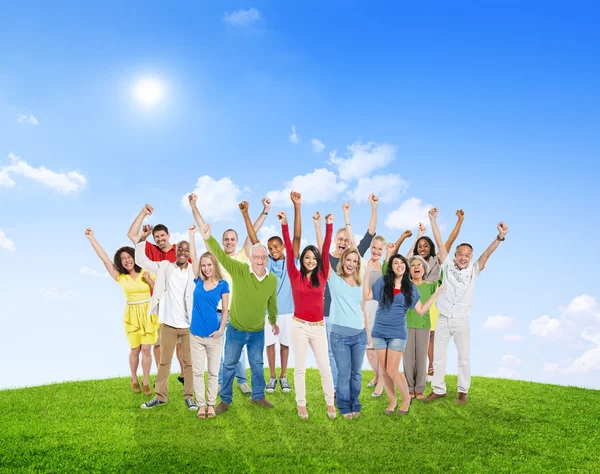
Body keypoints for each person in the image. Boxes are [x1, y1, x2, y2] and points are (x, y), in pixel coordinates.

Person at [200, 201, 278, 414]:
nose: (260, 260)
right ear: (251, 258)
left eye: (263, 257)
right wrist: (207, 237)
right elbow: (220, 254)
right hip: (234, 325)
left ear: (266, 259)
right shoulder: (239, 269)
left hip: (257, 331)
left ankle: (258, 396)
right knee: (229, 363)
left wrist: (273, 320)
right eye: (257, 256)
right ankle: (225, 399)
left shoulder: (271, 280)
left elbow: (272, 302)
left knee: (257, 363)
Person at [188, 193, 271, 395]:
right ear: (222, 241)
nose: (229, 242)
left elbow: (255, 231)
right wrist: (194, 206)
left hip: (238, 311)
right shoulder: (216, 257)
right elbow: (204, 230)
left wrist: (265, 211)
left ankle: (242, 381)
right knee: (219, 351)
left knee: (238, 349)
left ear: (236, 241)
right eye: (226, 239)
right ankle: (219, 381)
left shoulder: (243, 256)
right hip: (217, 311)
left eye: (232, 239)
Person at [424, 208, 508, 405]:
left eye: (467, 255)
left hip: (462, 321)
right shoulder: (446, 264)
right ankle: (438, 389)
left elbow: (487, 253)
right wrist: (433, 220)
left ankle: (463, 391)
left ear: (470, 257)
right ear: (455, 254)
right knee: (438, 357)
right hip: (443, 318)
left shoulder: (474, 269)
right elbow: (438, 242)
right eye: (460, 253)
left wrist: (500, 237)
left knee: (463, 358)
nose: (463, 257)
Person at [277, 193, 337, 420]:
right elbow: (291, 248)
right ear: (302, 260)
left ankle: (330, 404)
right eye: (307, 258)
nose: (310, 260)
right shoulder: (294, 274)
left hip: (319, 327)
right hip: (299, 326)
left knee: (325, 367)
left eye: (314, 257)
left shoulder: (323, 274)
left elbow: (327, 245)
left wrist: (329, 225)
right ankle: (301, 404)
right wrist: (284, 223)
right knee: (300, 368)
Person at [364, 254, 444, 415]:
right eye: (395, 263)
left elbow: (420, 311)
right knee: (384, 371)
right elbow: (367, 296)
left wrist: (435, 295)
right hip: (379, 331)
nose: (399, 265)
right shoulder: (383, 282)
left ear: (405, 267)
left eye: (402, 262)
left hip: (397, 333)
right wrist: (366, 273)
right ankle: (392, 402)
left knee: (392, 369)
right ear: (392, 267)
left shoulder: (411, 288)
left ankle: (406, 399)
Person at [84, 229, 158, 395]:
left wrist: (148, 280)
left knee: (146, 349)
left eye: (129, 257)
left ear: (134, 257)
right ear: (120, 262)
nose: (126, 260)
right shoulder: (120, 277)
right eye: (123, 259)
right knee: (135, 350)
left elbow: (157, 289)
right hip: (132, 315)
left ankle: (145, 381)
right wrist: (92, 239)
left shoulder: (147, 271)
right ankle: (133, 378)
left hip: (148, 313)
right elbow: (104, 259)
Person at [242, 192, 301, 394]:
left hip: (288, 312)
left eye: (276, 247)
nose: (273, 250)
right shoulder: (265, 262)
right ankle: (273, 377)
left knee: (285, 344)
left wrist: (296, 207)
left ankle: (284, 376)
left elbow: (297, 236)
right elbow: (253, 238)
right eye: (270, 248)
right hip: (268, 313)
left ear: (283, 246)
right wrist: (245, 214)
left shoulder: (292, 261)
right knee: (269, 345)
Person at [317, 196, 378, 391]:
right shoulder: (326, 259)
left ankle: (345, 386)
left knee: (348, 352)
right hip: (328, 311)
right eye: (340, 239)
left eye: (346, 239)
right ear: (335, 240)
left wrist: (372, 208)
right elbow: (321, 247)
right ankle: (337, 388)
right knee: (331, 351)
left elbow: (369, 236)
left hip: (350, 314)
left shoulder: (353, 259)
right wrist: (318, 225)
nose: (343, 242)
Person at [136, 237, 197, 411]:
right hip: (168, 325)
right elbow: (141, 260)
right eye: (180, 250)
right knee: (164, 362)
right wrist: (141, 240)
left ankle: (189, 397)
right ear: (176, 251)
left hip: (188, 326)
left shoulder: (194, 272)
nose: (183, 253)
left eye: (186, 250)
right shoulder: (165, 267)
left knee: (189, 363)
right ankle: (160, 397)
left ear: (189, 253)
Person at [127, 204, 185, 385]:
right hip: (160, 303)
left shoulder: (180, 251)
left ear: (168, 236)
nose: (160, 239)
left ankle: (184, 375)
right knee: (158, 343)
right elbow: (131, 235)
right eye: (156, 237)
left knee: (181, 342)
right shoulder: (152, 251)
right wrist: (143, 213)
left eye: (162, 236)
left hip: (179, 302)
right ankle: (162, 378)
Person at [408, 210, 465, 377]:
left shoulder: (437, 259)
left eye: (426, 245)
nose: (423, 248)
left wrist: (459, 221)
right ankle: (418, 368)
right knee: (416, 335)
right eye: (420, 246)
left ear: (431, 247)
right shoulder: (414, 262)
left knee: (431, 335)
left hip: (432, 299)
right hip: (417, 299)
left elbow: (450, 240)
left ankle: (431, 367)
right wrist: (418, 236)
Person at [187, 225, 230, 419]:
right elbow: (193, 256)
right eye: (203, 265)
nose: (205, 268)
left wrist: (221, 329)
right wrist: (192, 235)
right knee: (198, 373)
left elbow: (226, 310)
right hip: (195, 334)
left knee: (213, 372)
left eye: (209, 265)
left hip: (214, 335)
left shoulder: (222, 285)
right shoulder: (197, 281)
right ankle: (201, 406)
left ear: (214, 265)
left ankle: (211, 405)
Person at [364, 230, 412, 398]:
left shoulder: (386, 269)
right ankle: (378, 376)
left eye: (380, 249)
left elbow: (401, 260)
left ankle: (381, 385)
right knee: (370, 353)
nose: (376, 251)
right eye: (374, 248)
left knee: (378, 350)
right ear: (370, 247)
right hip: (365, 308)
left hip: (380, 310)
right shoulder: (364, 264)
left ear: (384, 250)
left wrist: (404, 237)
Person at [328, 247, 368, 419]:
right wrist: (319, 226)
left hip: (359, 334)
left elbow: (362, 308)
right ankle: (344, 405)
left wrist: (368, 333)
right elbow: (323, 255)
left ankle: (355, 402)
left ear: (357, 264)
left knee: (356, 374)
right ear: (342, 261)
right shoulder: (334, 279)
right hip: (339, 336)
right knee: (344, 374)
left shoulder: (360, 283)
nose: (351, 264)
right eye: (348, 260)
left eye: (354, 261)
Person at [403, 255, 441, 399]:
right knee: (408, 358)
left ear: (424, 269)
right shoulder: (405, 286)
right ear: (409, 270)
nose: (417, 267)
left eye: (420, 265)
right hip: (406, 325)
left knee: (421, 357)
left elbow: (440, 273)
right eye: (413, 265)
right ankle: (409, 388)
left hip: (424, 325)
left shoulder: (430, 286)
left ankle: (419, 389)